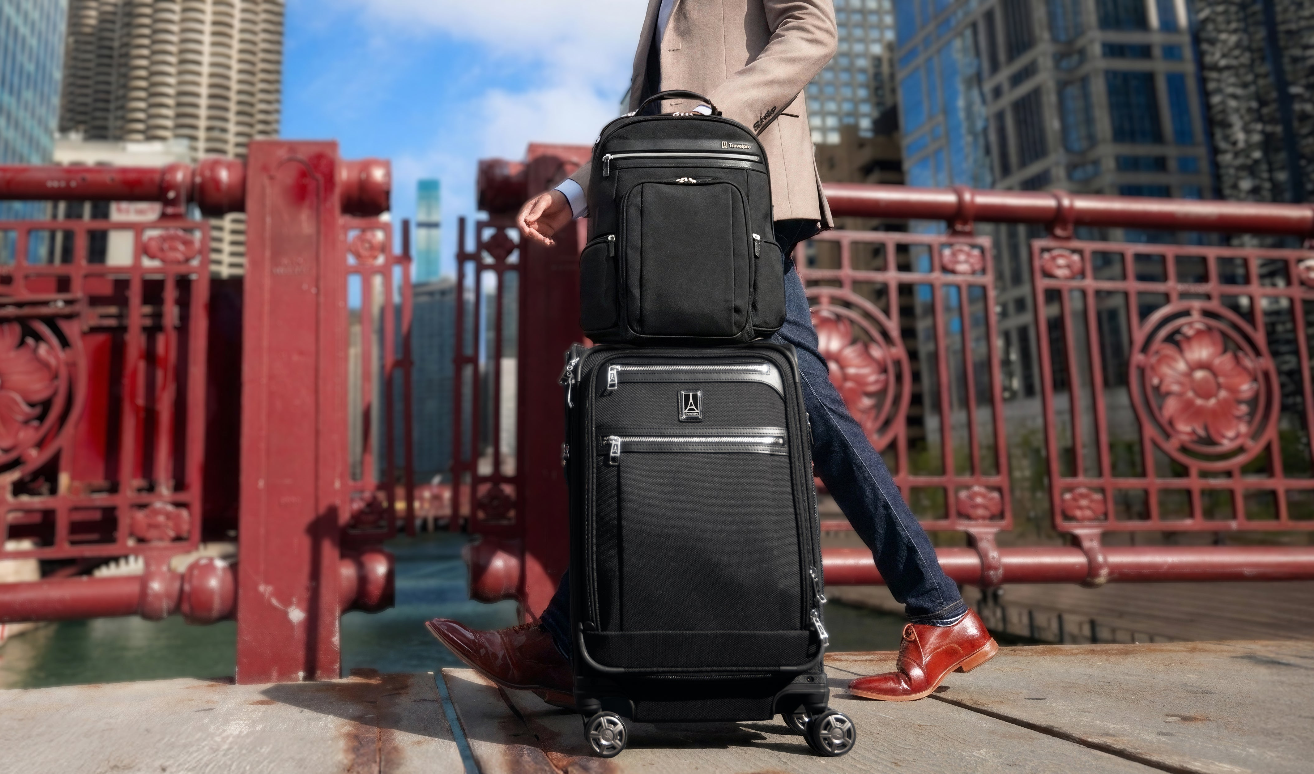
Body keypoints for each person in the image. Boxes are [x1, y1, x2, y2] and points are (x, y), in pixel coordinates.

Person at [425, 0, 997, 704]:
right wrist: (577, 191)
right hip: (684, 206)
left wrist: (716, 113)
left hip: (741, 196)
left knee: (805, 404)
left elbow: (813, 30)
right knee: (679, 405)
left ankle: (940, 609)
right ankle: (564, 639)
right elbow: (650, 110)